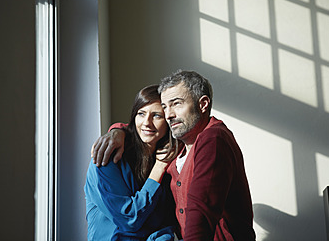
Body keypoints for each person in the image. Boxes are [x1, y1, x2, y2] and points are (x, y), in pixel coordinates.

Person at [92, 70, 256, 240]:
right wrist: (118, 130)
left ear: (203, 104)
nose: (169, 114)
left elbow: (201, 212)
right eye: (165, 107)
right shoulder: (175, 149)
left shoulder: (212, 139)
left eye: (176, 104)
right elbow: (142, 129)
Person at [85, 85, 180, 241]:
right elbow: (129, 219)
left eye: (156, 115)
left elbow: (164, 222)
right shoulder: (106, 159)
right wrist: (159, 166)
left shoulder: (172, 156)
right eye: (141, 114)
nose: (146, 123)